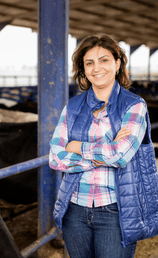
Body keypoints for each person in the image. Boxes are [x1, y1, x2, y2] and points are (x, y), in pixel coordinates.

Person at [49, 34, 158, 258]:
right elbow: (55, 157)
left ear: (117, 64)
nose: (96, 68)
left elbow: (119, 156)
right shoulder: (73, 106)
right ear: (83, 70)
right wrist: (106, 150)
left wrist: (77, 146)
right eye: (89, 63)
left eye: (104, 60)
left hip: (116, 211)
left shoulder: (135, 105)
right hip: (74, 210)